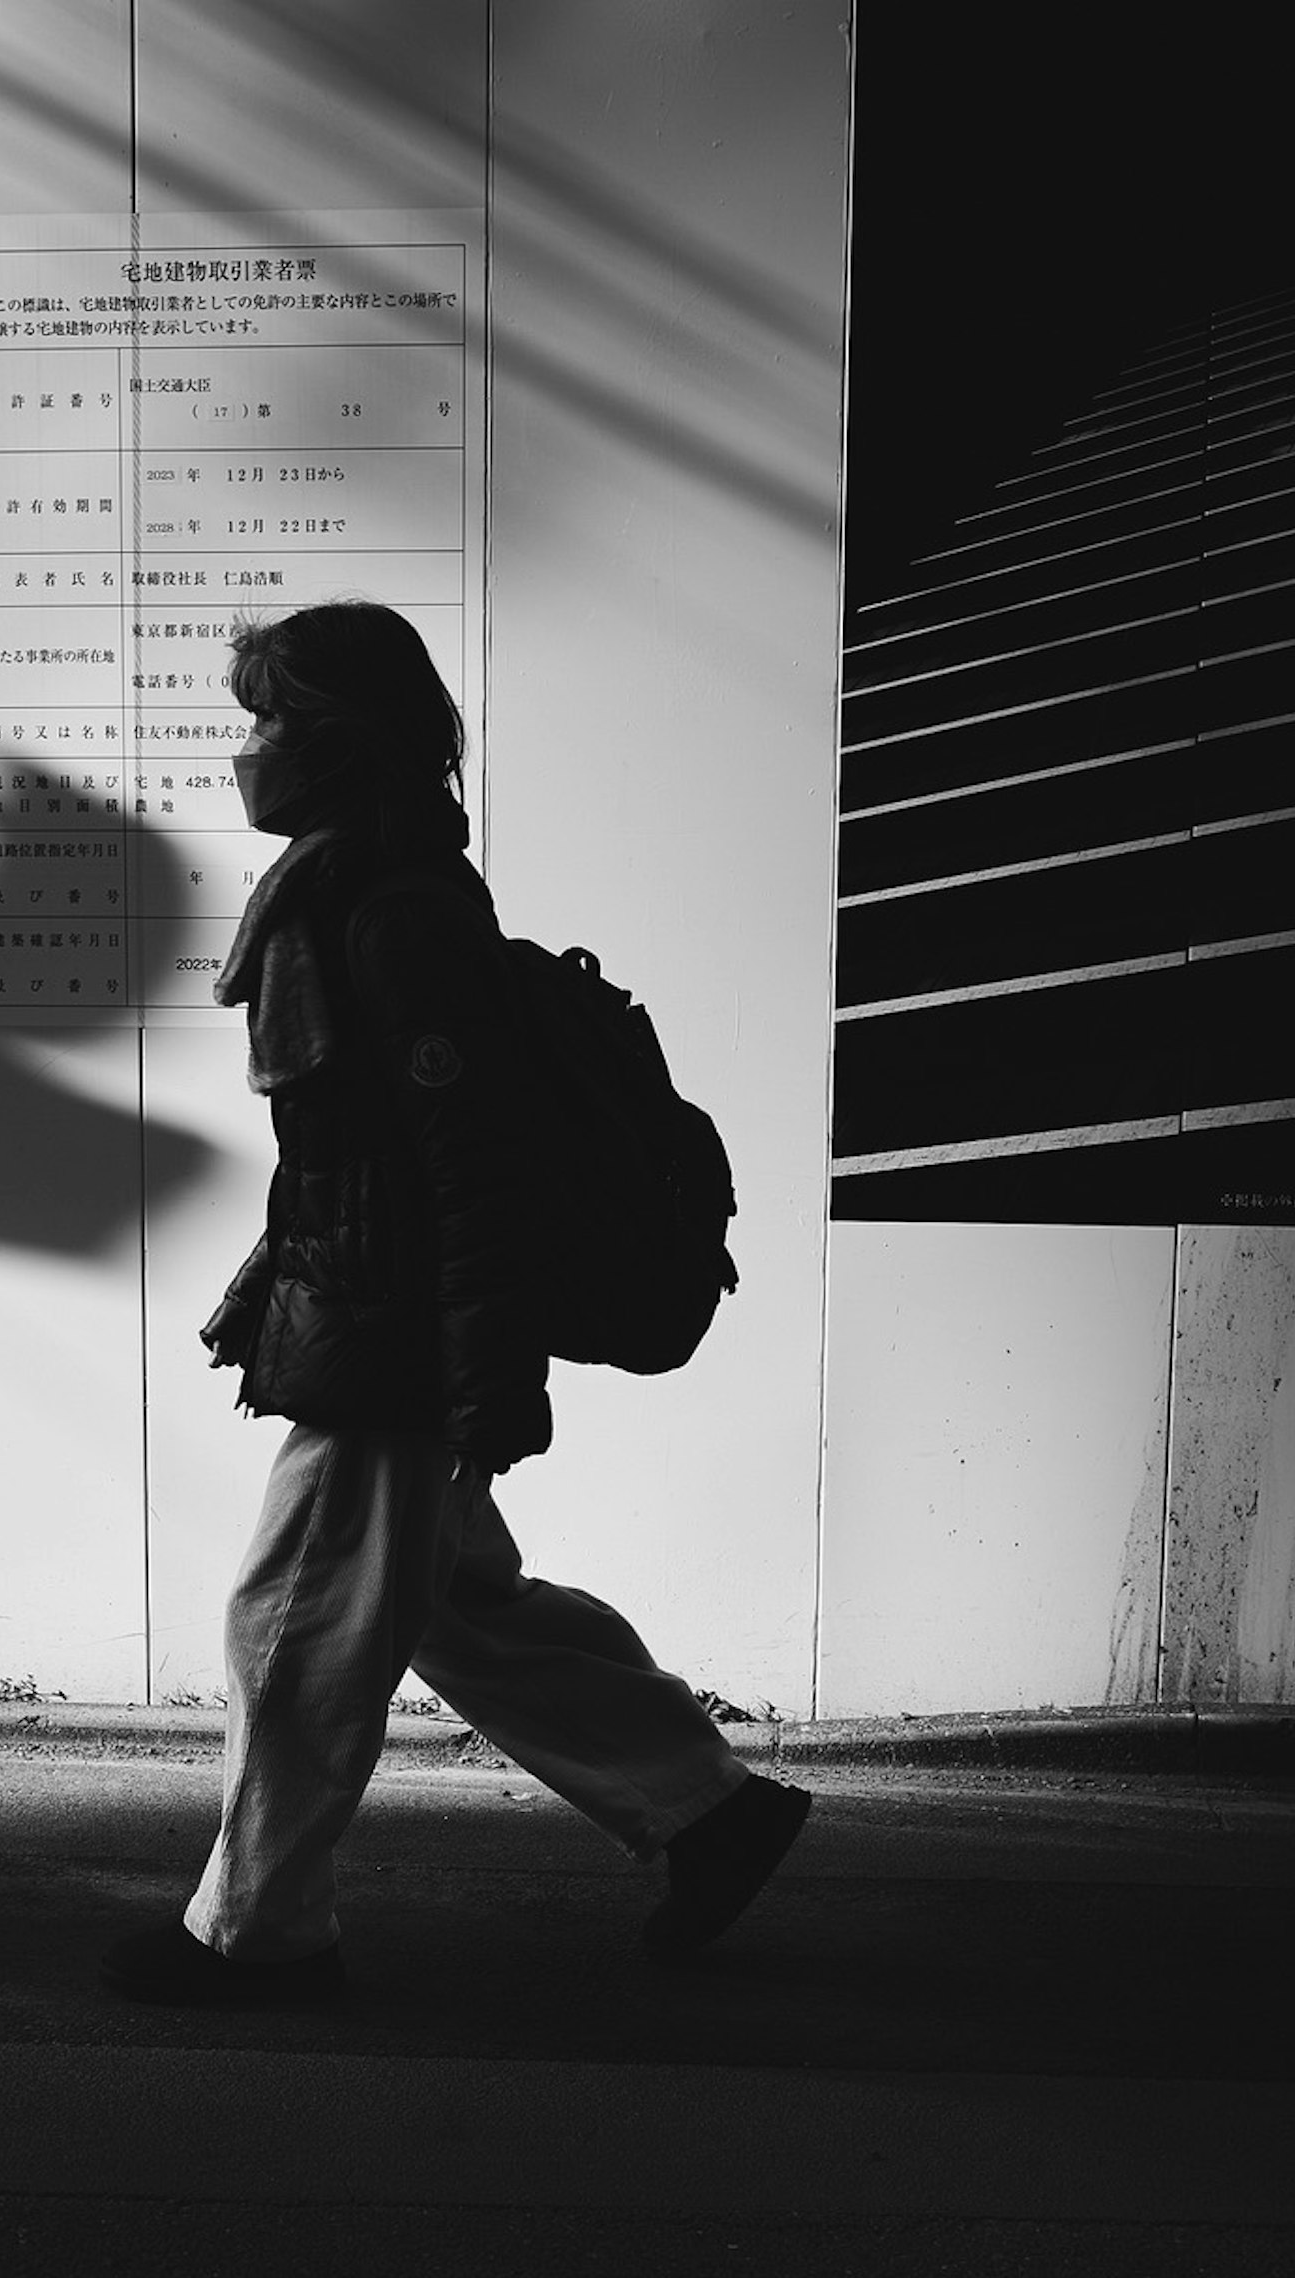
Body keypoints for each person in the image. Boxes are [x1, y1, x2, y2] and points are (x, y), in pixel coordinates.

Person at [101, 601, 813, 2006]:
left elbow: (463, 1164)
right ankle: (707, 1807)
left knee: (292, 1627)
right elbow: (356, 1155)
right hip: (376, 1313)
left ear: (344, 739)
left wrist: (490, 1377)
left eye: (270, 719)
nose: (246, 750)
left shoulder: (397, 907)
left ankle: (258, 1936)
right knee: (460, 1609)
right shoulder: (354, 881)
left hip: (394, 1339)